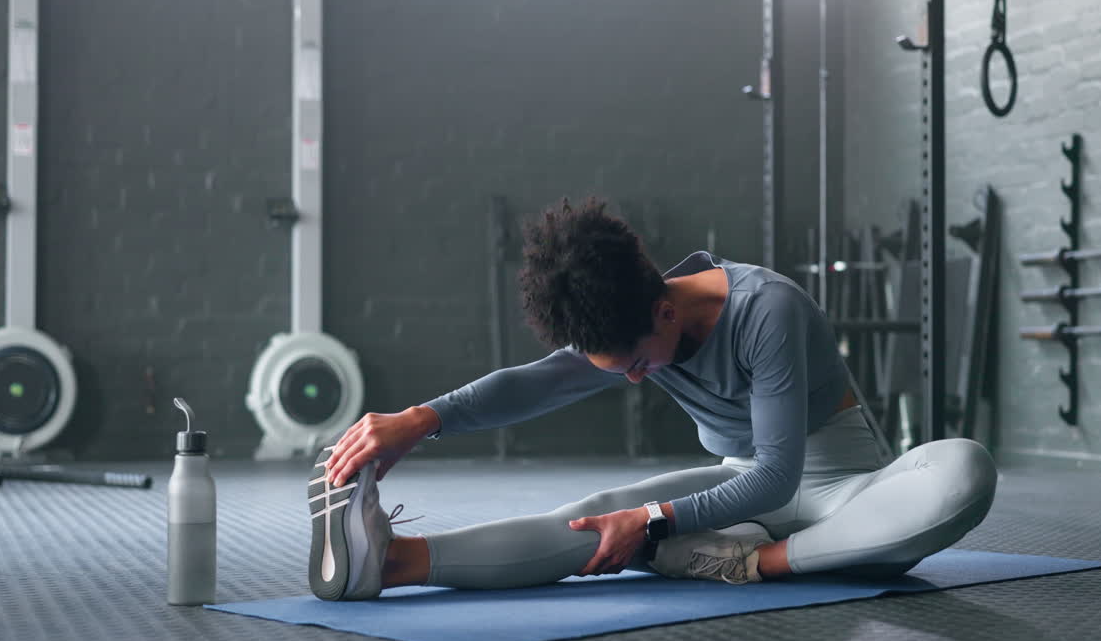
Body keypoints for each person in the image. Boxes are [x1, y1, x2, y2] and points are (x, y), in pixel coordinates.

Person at [305, 198, 997, 601]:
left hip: (839, 494)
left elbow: (780, 476)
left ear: (665, 312)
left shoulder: (767, 310)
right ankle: (390, 563)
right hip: (734, 493)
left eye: (636, 364)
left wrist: (659, 519)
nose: (634, 378)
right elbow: (533, 382)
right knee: (592, 521)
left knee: (964, 471)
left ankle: (751, 562)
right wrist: (417, 421)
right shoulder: (627, 317)